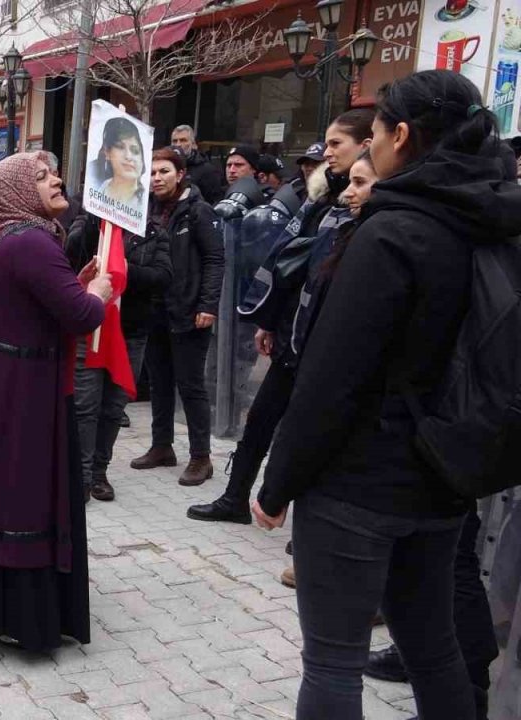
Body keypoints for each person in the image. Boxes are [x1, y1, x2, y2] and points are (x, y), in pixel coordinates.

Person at [253, 69, 521, 718]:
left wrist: (277, 482)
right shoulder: (492, 222)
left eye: (372, 134)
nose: (367, 148)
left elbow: (331, 380)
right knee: (433, 650)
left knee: (333, 663)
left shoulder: (393, 232)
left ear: (400, 136)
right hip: (444, 478)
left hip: (357, 484)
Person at [0, 152, 113, 651]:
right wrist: (97, 293)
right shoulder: (31, 241)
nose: (55, 180)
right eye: (40, 176)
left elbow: (37, 305)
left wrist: (76, 287)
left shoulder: (12, 236)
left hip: (2, 383)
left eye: (52, 172)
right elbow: (80, 316)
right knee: (19, 496)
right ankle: (21, 617)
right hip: (20, 391)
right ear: (15, 193)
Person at [188, 110, 373, 528]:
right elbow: (289, 264)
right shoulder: (319, 197)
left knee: (308, 432)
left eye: (336, 144)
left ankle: (300, 516)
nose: (327, 153)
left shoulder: (369, 206)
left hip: (328, 343)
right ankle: (235, 498)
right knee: (260, 419)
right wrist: (269, 321)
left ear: (366, 145)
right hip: (293, 333)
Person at [65, 148, 174, 502]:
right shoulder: (89, 221)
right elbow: (70, 253)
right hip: (91, 328)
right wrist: (94, 219)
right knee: (85, 405)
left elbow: (163, 276)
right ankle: (80, 476)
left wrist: (126, 270)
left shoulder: (152, 231)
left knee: (113, 407)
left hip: (130, 332)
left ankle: (99, 472)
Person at [130, 144, 224, 485]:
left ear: (181, 174)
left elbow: (215, 259)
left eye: (164, 171)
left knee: (191, 385)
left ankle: (201, 457)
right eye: (153, 172)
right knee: (159, 383)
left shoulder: (199, 211)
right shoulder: (146, 210)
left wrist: (208, 305)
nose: (157, 178)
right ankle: (161, 446)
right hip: (154, 310)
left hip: (189, 311)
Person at [90, 117, 147, 205]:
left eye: (135, 151)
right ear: (107, 152)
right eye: (120, 147)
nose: (128, 156)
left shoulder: (149, 203)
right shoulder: (94, 194)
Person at [171, 124, 224, 204]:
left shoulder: (207, 170)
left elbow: (214, 201)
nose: (178, 144)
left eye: (183, 140)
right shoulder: (166, 167)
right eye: (175, 141)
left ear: (193, 144)